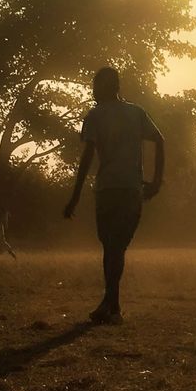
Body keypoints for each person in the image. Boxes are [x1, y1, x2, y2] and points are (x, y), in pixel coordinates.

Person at [63, 68, 164, 324]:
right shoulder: (136, 112)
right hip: (130, 190)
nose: (93, 91)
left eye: (95, 86)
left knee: (112, 246)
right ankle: (113, 306)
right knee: (114, 247)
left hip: (108, 189)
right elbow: (159, 140)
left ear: (108, 87)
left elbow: (87, 158)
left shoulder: (95, 116)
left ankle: (109, 304)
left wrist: (75, 196)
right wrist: (156, 182)